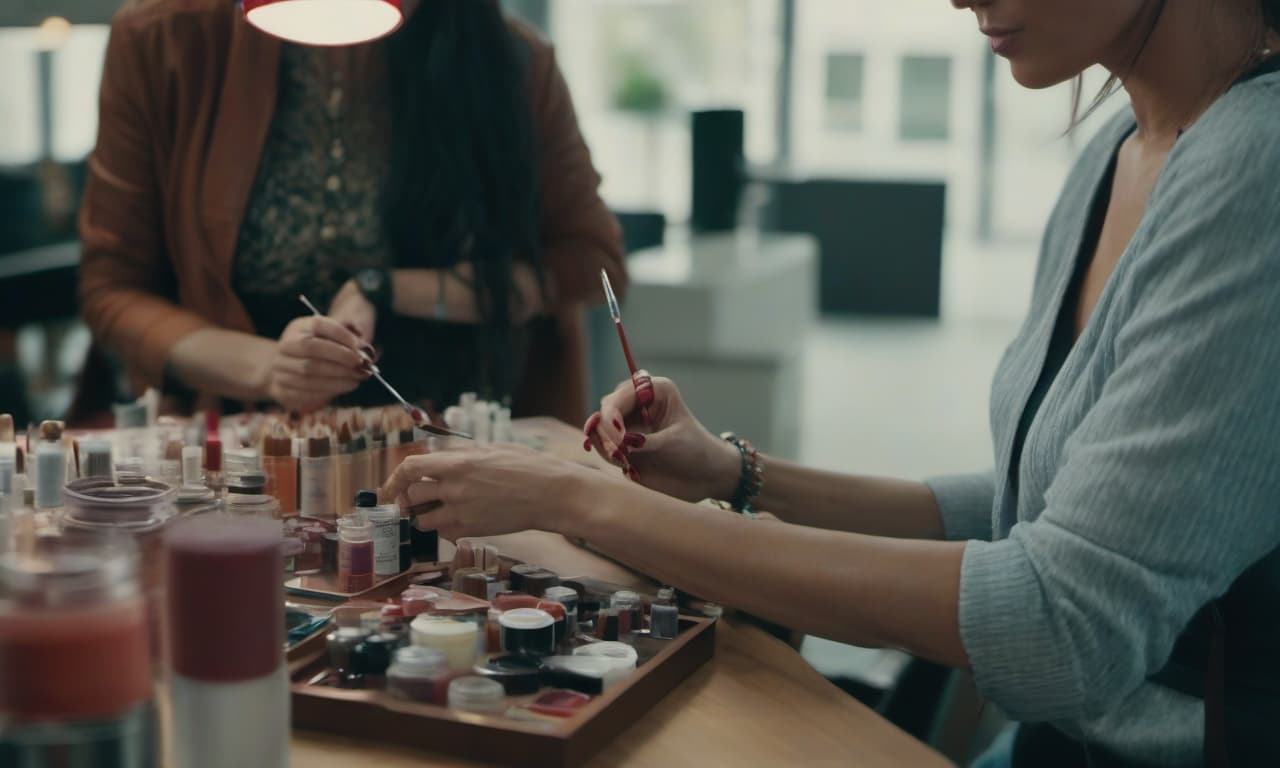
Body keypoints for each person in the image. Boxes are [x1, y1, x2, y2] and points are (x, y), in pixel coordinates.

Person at [382, 1, 1280, 765]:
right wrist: (738, 474)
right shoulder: (1118, 151)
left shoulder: (1256, 168)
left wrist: (584, 503)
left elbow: (1060, 622)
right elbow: (1038, 513)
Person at [78, 0, 624, 423]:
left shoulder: (509, 61)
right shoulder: (167, 39)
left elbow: (593, 263)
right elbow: (113, 290)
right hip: (243, 445)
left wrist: (384, 288)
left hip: (459, 441)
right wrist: (271, 367)